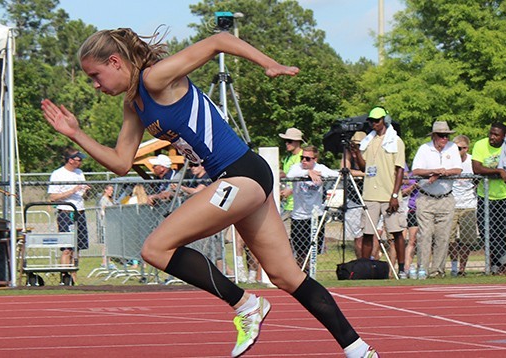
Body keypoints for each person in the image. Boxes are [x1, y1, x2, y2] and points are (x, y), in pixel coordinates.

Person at [40, 29, 375, 357]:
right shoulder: (134, 105)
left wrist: (268, 63)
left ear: (115, 61)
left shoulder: (155, 78)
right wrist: (76, 133)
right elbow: (121, 163)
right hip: (243, 179)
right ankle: (358, 350)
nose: (95, 85)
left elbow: (218, 41)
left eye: (95, 76)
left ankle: (246, 304)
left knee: (156, 248)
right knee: (285, 275)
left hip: (240, 176)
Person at [351, 106, 406, 273]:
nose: (373, 124)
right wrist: (357, 153)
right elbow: (364, 167)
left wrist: (395, 194)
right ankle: (365, 268)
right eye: (371, 121)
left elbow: (400, 170)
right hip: (370, 193)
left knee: (396, 232)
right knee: (368, 233)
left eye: (377, 120)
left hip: (388, 193)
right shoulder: (369, 141)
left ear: (385, 120)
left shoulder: (395, 141)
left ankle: (402, 269)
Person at [410, 121, 462, 279]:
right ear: (434, 136)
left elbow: (458, 169)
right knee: (425, 235)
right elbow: (416, 170)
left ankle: (437, 271)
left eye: (446, 135)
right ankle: (422, 270)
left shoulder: (452, 148)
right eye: (441, 135)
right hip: (426, 197)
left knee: (443, 236)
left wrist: (442, 173)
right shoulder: (424, 149)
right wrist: (433, 171)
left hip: (446, 197)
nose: (444, 139)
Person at [470, 123, 506, 275]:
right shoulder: (480, 145)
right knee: (485, 232)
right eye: (491, 133)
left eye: (496, 135)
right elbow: (477, 168)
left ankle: (497, 267)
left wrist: (497, 172)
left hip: (504, 195)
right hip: (485, 195)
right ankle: (502, 259)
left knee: (501, 232)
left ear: (504, 137)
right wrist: (498, 170)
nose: (492, 137)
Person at [286, 146, 338, 268]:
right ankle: (301, 273)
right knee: (300, 251)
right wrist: (307, 172)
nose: (304, 160)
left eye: (308, 158)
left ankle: (310, 272)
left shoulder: (320, 168)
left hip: (315, 216)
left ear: (315, 159)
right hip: (299, 216)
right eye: (302, 157)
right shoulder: (297, 168)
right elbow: (290, 175)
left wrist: (320, 174)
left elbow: (336, 174)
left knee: (313, 250)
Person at [47, 149, 91, 284]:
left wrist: (86, 192)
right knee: (67, 249)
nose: (80, 162)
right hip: (66, 213)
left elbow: (83, 194)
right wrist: (72, 190)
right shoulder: (58, 174)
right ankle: (65, 278)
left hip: (80, 212)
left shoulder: (79, 173)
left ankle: (74, 279)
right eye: (78, 159)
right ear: (70, 160)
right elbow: (53, 197)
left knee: (77, 249)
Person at [450, 135, 479, 277]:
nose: (457, 151)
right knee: (450, 239)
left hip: (469, 204)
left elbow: (478, 181)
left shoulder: (471, 161)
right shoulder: (450, 161)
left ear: (466, 148)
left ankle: (462, 268)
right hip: (452, 203)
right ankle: (454, 267)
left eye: (460, 148)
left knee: (467, 239)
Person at [278, 128, 304, 218]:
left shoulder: (304, 157)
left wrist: (291, 190)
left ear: (297, 142)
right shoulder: (287, 158)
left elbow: (305, 179)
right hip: (288, 203)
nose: (286, 143)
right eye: (286, 141)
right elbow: (287, 176)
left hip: (300, 204)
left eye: (289, 141)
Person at [399, 174, 420, 279]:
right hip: (413, 210)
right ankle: (406, 268)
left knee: (424, 240)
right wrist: (413, 186)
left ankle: (422, 268)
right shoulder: (411, 176)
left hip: (426, 209)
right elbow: (403, 191)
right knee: (411, 240)